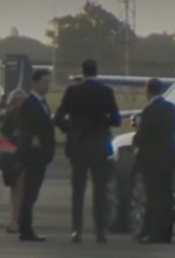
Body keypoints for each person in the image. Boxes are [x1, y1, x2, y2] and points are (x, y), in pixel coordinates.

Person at [54, 59, 121, 244]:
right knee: (100, 190)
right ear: (96, 71)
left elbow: (58, 117)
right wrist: (103, 123)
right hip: (99, 145)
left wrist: (72, 129)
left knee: (78, 190)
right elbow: (116, 119)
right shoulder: (106, 92)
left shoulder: (73, 91)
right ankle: (100, 230)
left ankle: (77, 230)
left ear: (82, 72)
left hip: (78, 145)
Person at [132, 78, 175, 244]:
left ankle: (154, 234)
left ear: (148, 91)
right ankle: (166, 234)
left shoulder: (150, 110)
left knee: (153, 197)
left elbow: (144, 134)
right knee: (167, 197)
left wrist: (135, 140)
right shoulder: (171, 108)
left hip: (152, 160)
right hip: (169, 159)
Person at [16, 69, 55, 242]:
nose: (47, 86)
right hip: (33, 156)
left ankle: (26, 227)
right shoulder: (29, 103)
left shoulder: (43, 103)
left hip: (42, 156)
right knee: (29, 193)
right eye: (45, 82)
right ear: (35, 83)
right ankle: (25, 229)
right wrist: (31, 139)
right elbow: (23, 127)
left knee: (33, 193)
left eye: (49, 82)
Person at [0, 89, 27, 234]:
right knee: (17, 189)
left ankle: (16, 220)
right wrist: (9, 145)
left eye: (23, 100)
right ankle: (16, 221)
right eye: (17, 99)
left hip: (22, 154)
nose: (20, 102)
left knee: (19, 190)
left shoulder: (27, 116)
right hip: (12, 156)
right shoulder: (8, 116)